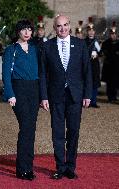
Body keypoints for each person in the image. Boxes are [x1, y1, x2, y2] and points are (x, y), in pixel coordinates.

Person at [40, 15, 92, 180]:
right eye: (59, 26)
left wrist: (88, 94)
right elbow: (43, 74)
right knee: (57, 133)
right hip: (55, 95)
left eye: (65, 25)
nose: (62, 29)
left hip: (75, 95)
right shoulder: (47, 46)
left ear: (70, 26)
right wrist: (44, 96)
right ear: (54, 28)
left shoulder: (81, 44)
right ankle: (60, 167)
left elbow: (87, 71)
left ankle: (70, 167)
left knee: (74, 132)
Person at [2, 20, 39, 181]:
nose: (27, 32)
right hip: (18, 90)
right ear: (18, 32)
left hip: (34, 90)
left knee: (31, 129)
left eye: (29, 30)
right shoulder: (11, 50)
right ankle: (23, 169)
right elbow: (5, 74)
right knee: (26, 127)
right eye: (24, 29)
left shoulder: (35, 49)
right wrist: (10, 94)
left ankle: (28, 165)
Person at [101, 21, 119, 103]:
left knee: (117, 83)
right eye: (112, 34)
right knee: (109, 83)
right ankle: (110, 97)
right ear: (110, 34)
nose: (113, 35)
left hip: (117, 67)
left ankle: (115, 96)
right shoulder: (106, 43)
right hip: (109, 66)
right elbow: (104, 53)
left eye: (114, 34)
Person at [84, 17, 101, 108]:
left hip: (95, 66)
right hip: (87, 65)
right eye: (89, 30)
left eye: (92, 30)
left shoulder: (96, 41)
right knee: (87, 83)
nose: (91, 32)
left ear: (94, 32)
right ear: (87, 32)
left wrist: (99, 48)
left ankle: (93, 101)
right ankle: (87, 101)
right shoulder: (84, 42)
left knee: (94, 84)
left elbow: (101, 53)